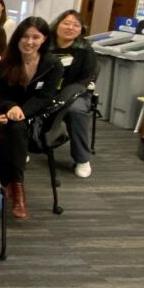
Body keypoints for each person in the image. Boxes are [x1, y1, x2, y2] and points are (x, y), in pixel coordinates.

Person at [0, 17, 63, 219]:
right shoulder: (4, 64)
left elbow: (45, 97)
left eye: (35, 37)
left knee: (13, 128)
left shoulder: (53, 64)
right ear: (17, 38)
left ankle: (10, 183)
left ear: (44, 39)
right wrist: (11, 108)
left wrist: (21, 112)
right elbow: (2, 97)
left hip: (39, 119)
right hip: (10, 115)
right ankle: (16, 187)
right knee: (12, 127)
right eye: (25, 36)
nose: (29, 41)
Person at [50, 10, 98, 178]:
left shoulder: (85, 50)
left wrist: (64, 97)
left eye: (75, 25)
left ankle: (82, 158)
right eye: (66, 23)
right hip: (46, 91)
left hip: (75, 94)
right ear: (57, 25)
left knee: (75, 111)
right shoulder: (45, 45)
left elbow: (85, 80)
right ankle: (22, 149)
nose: (70, 28)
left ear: (81, 30)